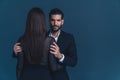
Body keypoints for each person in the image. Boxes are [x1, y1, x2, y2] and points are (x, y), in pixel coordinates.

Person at [14, 8, 77, 80]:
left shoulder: (69, 38)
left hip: (59, 77)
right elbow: (30, 53)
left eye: (58, 20)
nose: (55, 23)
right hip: (43, 76)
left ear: (62, 21)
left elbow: (73, 61)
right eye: (53, 20)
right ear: (49, 21)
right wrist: (16, 53)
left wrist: (60, 56)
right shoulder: (41, 37)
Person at [14, 7, 54, 80]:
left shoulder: (22, 40)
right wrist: (60, 56)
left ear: (29, 22)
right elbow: (53, 66)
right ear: (43, 22)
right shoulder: (50, 41)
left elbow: (19, 66)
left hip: (26, 76)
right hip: (45, 76)